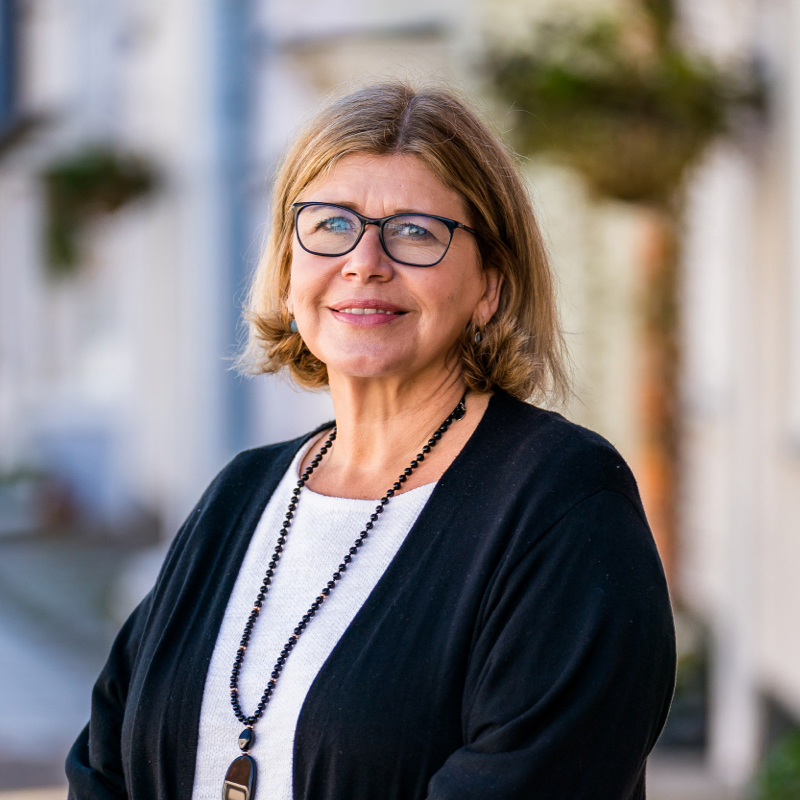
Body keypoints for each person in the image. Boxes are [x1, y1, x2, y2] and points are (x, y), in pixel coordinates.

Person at [66, 81, 675, 800]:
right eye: (330, 225)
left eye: (415, 231)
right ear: (290, 271)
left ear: (490, 285)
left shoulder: (561, 501)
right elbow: (104, 762)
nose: (364, 261)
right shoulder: (240, 494)